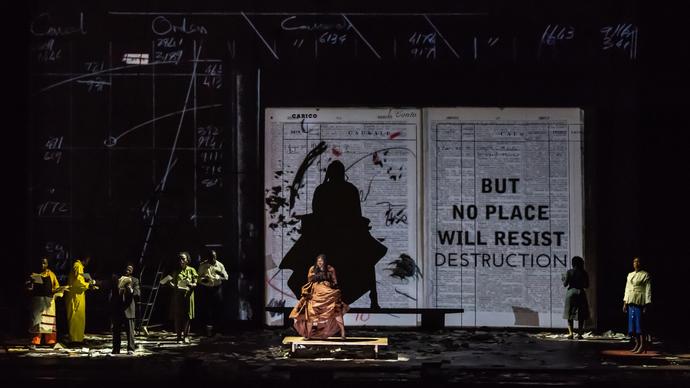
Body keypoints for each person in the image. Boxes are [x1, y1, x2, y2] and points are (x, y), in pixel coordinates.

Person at [280, 160, 387, 308]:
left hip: (325, 238)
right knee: (368, 258)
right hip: (347, 237)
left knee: (366, 257)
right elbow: (356, 214)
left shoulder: (322, 189)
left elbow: (317, 213)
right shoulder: (350, 189)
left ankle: (312, 299)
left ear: (329, 174)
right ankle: (373, 300)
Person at [289, 254, 349, 339]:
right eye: (318, 261)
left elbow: (335, 281)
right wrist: (317, 277)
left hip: (328, 294)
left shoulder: (330, 269)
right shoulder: (312, 269)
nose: (320, 263)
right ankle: (308, 335)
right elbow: (309, 281)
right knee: (311, 314)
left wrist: (328, 282)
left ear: (325, 262)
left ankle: (343, 333)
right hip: (316, 293)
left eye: (321, 261)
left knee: (337, 312)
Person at [26, 257, 64, 346]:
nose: (42, 265)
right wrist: (30, 284)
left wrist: (59, 291)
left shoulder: (51, 274)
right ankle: (35, 341)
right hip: (38, 301)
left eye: (44, 263)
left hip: (48, 302)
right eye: (41, 263)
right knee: (36, 322)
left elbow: (56, 287)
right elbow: (29, 288)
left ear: (47, 264)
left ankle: (51, 341)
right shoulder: (33, 275)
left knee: (49, 322)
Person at [165, 252, 198, 343]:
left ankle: (186, 336)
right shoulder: (176, 271)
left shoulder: (191, 270)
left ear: (187, 260)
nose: (181, 260)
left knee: (187, 317)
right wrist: (169, 283)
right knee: (178, 317)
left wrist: (190, 284)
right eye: (180, 259)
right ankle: (178, 337)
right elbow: (173, 284)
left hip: (188, 296)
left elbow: (195, 283)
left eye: (183, 258)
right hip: (177, 296)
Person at [65, 255, 97, 345]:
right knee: (75, 318)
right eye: (88, 260)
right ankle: (75, 340)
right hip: (75, 296)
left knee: (79, 318)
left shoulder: (79, 266)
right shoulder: (77, 265)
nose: (88, 263)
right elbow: (78, 281)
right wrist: (88, 285)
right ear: (86, 259)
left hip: (78, 295)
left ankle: (78, 339)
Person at [623, 256, 652, 353]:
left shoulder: (645, 275)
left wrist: (647, 304)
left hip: (639, 301)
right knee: (632, 325)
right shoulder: (630, 275)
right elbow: (627, 289)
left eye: (638, 261)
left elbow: (648, 290)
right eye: (634, 261)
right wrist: (625, 302)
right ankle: (637, 343)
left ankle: (642, 345)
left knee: (639, 324)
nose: (636, 263)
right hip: (631, 300)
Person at [110, 263, 140, 354]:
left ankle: (131, 349)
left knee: (130, 331)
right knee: (116, 330)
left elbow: (137, 293)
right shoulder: (116, 279)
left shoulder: (134, 280)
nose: (128, 270)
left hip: (128, 308)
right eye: (127, 268)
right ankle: (116, 349)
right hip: (118, 307)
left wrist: (131, 290)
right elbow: (111, 290)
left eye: (130, 269)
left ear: (132, 271)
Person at [197, 250, 228, 336]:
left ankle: (217, 330)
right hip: (206, 290)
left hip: (217, 289)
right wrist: (204, 279)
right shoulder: (203, 265)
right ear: (208, 258)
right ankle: (207, 331)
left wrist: (219, 277)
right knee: (206, 310)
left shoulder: (220, 265)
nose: (213, 259)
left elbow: (226, 277)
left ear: (216, 257)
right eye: (211, 257)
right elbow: (198, 278)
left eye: (214, 257)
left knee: (217, 310)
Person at [562, 256, 590, 339]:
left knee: (569, 313)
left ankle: (571, 333)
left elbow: (565, 284)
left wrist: (563, 278)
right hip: (580, 292)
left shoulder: (569, 272)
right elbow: (587, 285)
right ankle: (580, 334)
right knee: (580, 313)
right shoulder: (584, 273)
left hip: (571, 293)